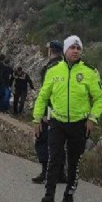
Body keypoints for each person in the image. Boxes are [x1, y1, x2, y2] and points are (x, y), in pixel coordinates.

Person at [33, 35, 102, 202]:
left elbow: (100, 97)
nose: (75, 51)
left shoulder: (89, 72)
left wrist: (92, 118)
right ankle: (49, 196)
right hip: (57, 121)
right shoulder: (53, 70)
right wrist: (37, 118)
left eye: (78, 48)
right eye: (72, 48)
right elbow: (43, 96)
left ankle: (68, 194)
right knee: (54, 158)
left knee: (74, 161)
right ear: (65, 50)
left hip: (79, 124)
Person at [32, 41, 67, 184]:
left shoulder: (50, 68)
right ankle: (60, 173)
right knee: (59, 142)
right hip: (64, 112)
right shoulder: (67, 67)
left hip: (51, 111)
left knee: (43, 140)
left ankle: (46, 171)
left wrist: (45, 113)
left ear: (50, 51)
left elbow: (47, 92)